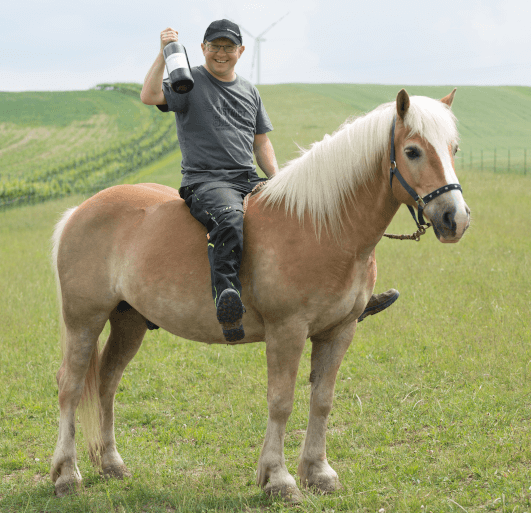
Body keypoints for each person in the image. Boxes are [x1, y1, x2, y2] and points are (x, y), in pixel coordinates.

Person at [140, 19, 398, 341]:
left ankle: (347, 300)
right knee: (229, 218)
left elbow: (261, 142)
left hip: (246, 177)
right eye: (215, 46)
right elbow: (149, 95)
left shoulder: (249, 91)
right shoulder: (188, 82)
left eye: (228, 47)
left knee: (310, 213)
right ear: (203, 49)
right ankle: (226, 295)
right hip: (207, 181)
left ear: (240, 51)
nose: (221, 53)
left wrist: (279, 181)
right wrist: (163, 53)